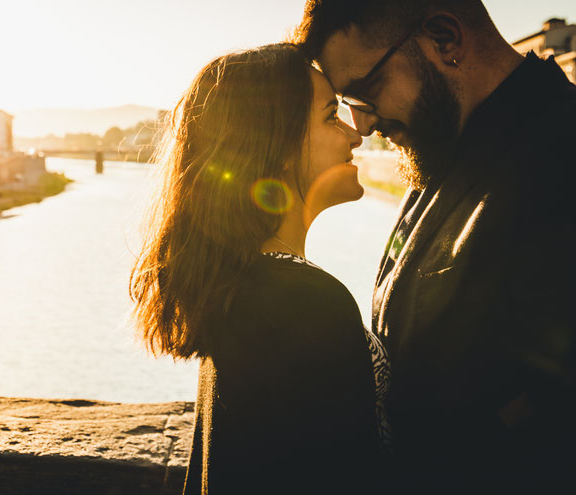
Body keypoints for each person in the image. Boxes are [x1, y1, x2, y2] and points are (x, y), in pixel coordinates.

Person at [295, 0, 576, 491]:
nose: (362, 127)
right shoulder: (440, 145)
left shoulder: (561, 158)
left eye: (366, 91)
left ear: (445, 38)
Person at [129, 44, 389, 493]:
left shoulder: (236, 288)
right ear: (279, 145)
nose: (354, 135)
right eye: (331, 116)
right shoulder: (305, 302)